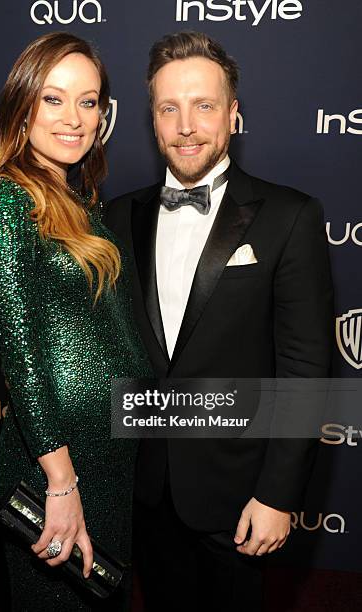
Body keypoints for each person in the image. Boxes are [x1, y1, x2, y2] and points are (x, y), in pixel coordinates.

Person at [104, 31, 334, 611]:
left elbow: (306, 369)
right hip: (145, 487)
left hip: (240, 497)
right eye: (169, 108)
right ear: (152, 120)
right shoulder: (116, 217)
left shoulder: (289, 215)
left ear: (232, 114)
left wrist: (277, 495)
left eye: (203, 105)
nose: (186, 125)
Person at [0, 32, 152, 611]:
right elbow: (20, 356)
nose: (75, 118)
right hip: (59, 465)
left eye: (90, 101)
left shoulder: (80, 199)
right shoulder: (7, 199)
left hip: (109, 456)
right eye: (54, 99)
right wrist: (62, 483)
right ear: (22, 109)